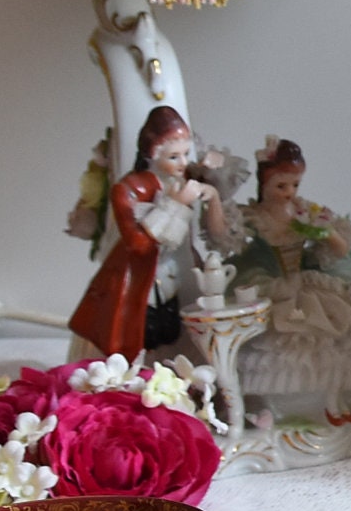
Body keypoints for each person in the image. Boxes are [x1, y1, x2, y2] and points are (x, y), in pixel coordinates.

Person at [229, 138, 351, 401]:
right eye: (281, 186)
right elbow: (224, 235)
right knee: (289, 335)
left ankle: (341, 398)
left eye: (295, 185)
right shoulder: (254, 217)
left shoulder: (304, 211)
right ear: (264, 184)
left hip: (306, 279)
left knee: (347, 321)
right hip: (273, 283)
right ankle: (293, 401)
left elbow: (340, 249)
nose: (289, 192)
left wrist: (325, 232)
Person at [67, 105, 229, 358]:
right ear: (153, 154)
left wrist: (214, 197)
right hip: (144, 279)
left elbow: (218, 233)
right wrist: (176, 204)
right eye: (174, 157)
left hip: (182, 271)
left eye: (186, 154)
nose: (183, 163)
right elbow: (139, 245)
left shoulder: (186, 178)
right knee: (144, 336)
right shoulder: (129, 189)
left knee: (186, 332)